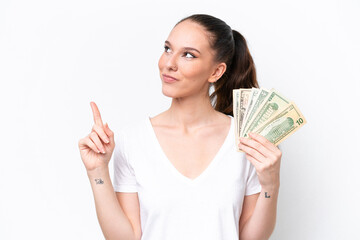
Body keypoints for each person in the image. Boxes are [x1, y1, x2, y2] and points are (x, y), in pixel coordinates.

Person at [78, 13, 282, 240]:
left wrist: (270, 185)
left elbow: (252, 238)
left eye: (188, 55)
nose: (168, 64)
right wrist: (97, 172)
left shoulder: (246, 141)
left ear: (216, 72)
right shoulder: (132, 141)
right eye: (167, 49)